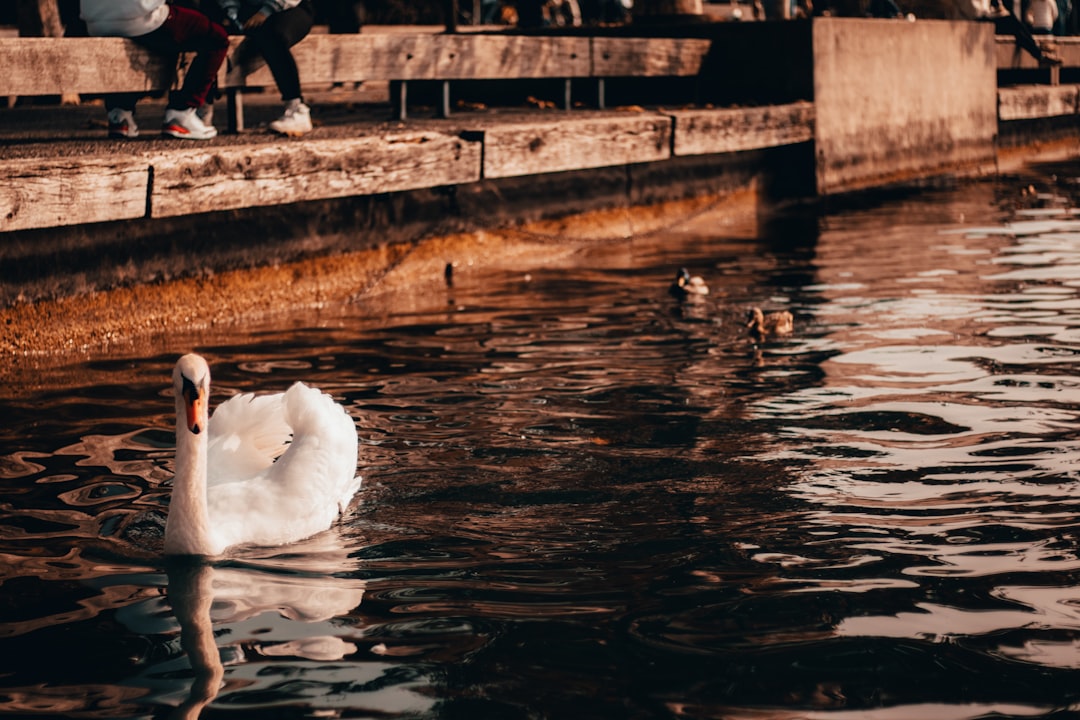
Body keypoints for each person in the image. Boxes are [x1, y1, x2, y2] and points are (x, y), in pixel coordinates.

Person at [79, 0, 227, 139]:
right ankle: (181, 113)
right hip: (143, 20)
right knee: (217, 38)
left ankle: (119, 115)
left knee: (156, 37)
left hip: (96, 22)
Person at [213, 0, 316, 136]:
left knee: (272, 35)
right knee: (210, 29)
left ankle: (297, 109)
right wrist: (231, 10)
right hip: (247, 9)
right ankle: (194, 113)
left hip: (290, 8)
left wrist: (266, 11)